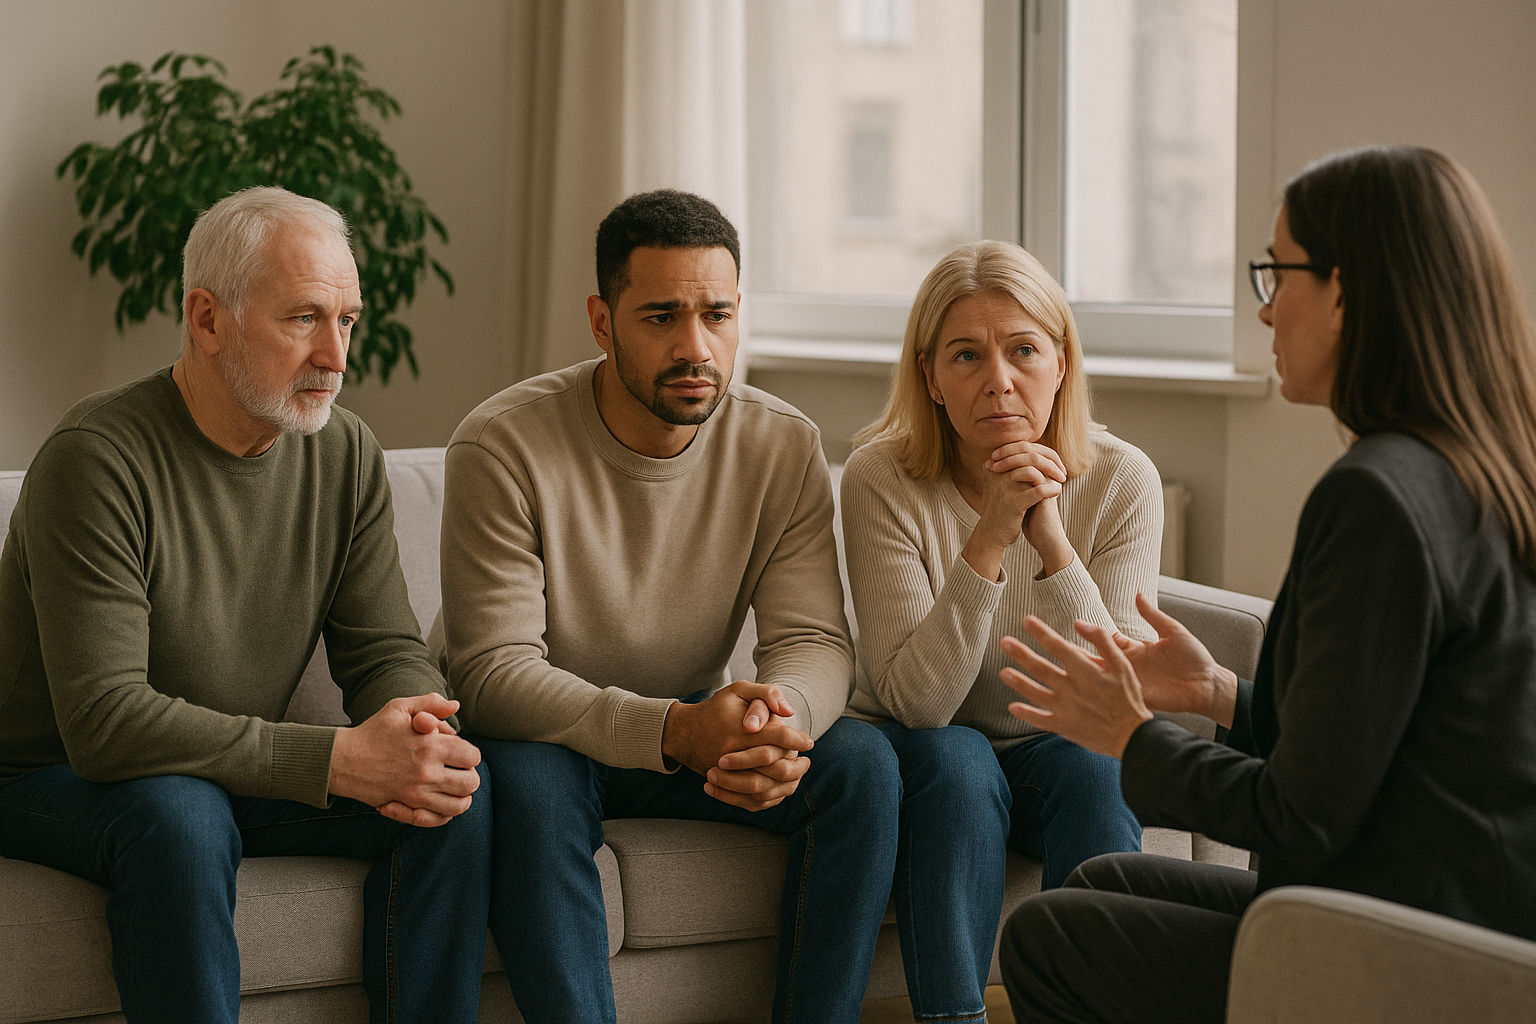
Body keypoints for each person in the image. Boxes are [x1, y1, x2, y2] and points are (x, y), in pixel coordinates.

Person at [995, 144, 1536, 1024]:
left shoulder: (1378, 497)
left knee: (1048, 940)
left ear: (1347, 291)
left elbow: (1297, 821)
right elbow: (1387, 739)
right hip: (1471, 906)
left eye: (1279, 273)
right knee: (1102, 882)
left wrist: (1131, 735)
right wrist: (1220, 694)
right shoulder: (1483, 463)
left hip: (1409, 939)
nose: (1267, 307)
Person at [0, 187, 491, 1024]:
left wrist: (417, 723)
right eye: (304, 318)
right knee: (178, 814)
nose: (337, 357)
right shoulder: (97, 460)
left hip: (231, 769)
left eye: (349, 320)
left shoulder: (345, 452)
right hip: (57, 776)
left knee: (454, 795)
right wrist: (334, 761)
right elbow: (107, 721)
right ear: (208, 318)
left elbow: (382, 649)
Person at [430, 188, 899, 1024]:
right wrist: (678, 730)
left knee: (862, 765)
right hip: (547, 734)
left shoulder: (780, 442)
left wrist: (776, 720)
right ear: (602, 323)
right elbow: (492, 671)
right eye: (659, 318)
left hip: (686, 735)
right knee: (532, 782)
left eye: (717, 315)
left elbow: (816, 638)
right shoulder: (502, 443)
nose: (696, 347)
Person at [838, 239, 1163, 1021]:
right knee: (957, 763)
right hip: (924, 739)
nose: (999, 381)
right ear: (931, 379)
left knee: (1101, 770)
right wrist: (989, 536)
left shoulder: (1123, 478)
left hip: (1054, 742)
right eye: (966, 356)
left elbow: (1117, 696)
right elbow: (919, 703)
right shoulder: (880, 477)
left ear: (1061, 363)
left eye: (1023, 350)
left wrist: (1049, 539)